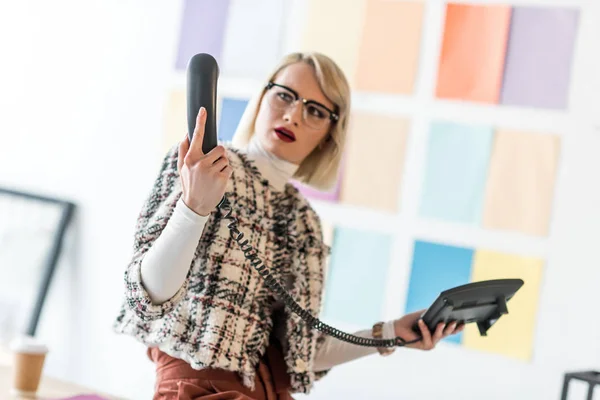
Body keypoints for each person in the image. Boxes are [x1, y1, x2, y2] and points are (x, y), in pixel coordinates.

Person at [113, 52, 463, 399]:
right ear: (262, 97)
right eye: (285, 95)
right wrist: (194, 207)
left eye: (314, 111)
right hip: (197, 387)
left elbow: (300, 353)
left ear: (329, 134)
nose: (293, 115)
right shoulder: (202, 166)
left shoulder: (304, 221)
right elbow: (147, 296)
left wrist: (391, 333)